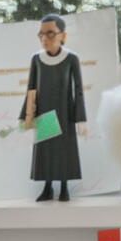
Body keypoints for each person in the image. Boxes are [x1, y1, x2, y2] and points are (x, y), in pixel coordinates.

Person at [23, 16, 87, 202]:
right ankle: (47, 187)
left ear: (62, 35)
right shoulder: (37, 59)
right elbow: (31, 89)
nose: (45, 38)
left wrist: (80, 118)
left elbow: (78, 89)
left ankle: (65, 187)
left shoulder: (71, 59)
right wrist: (26, 115)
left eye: (50, 33)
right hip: (45, 113)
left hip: (65, 113)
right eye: (41, 34)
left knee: (64, 149)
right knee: (47, 150)